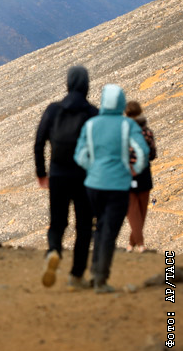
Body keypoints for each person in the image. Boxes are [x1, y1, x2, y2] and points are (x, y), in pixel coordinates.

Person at [75, 84, 149, 293]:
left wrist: (93, 169)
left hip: (93, 185)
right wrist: (133, 170)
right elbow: (142, 152)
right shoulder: (127, 125)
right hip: (118, 185)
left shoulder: (91, 124)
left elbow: (80, 155)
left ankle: (93, 272)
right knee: (109, 231)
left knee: (99, 228)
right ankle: (100, 278)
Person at [34, 65, 98, 290]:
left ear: (68, 83)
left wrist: (42, 174)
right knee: (83, 228)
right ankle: (76, 276)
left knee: (58, 222)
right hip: (84, 178)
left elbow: (39, 142)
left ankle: (53, 251)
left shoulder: (53, 110)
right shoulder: (92, 113)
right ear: (86, 85)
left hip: (58, 175)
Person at [124, 101, 156, 253]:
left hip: (127, 176)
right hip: (144, 175)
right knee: (141, 214)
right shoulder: (147, 132)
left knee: (133, 212)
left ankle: (135, 245)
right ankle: (136, 245)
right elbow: (153, 155)